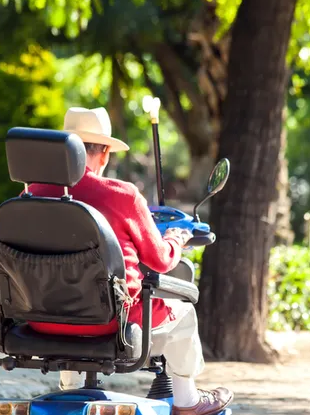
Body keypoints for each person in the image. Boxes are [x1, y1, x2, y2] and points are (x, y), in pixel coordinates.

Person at [26, 107, 233, 415]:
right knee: (185, 312)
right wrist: (177, 237)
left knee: (64, 293)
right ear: (105, 153)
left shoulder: (30, 195)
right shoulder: (122, 195)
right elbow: (161, 261)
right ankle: (188, 402)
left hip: (39, 319)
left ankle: (69, 390)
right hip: (111, 322)